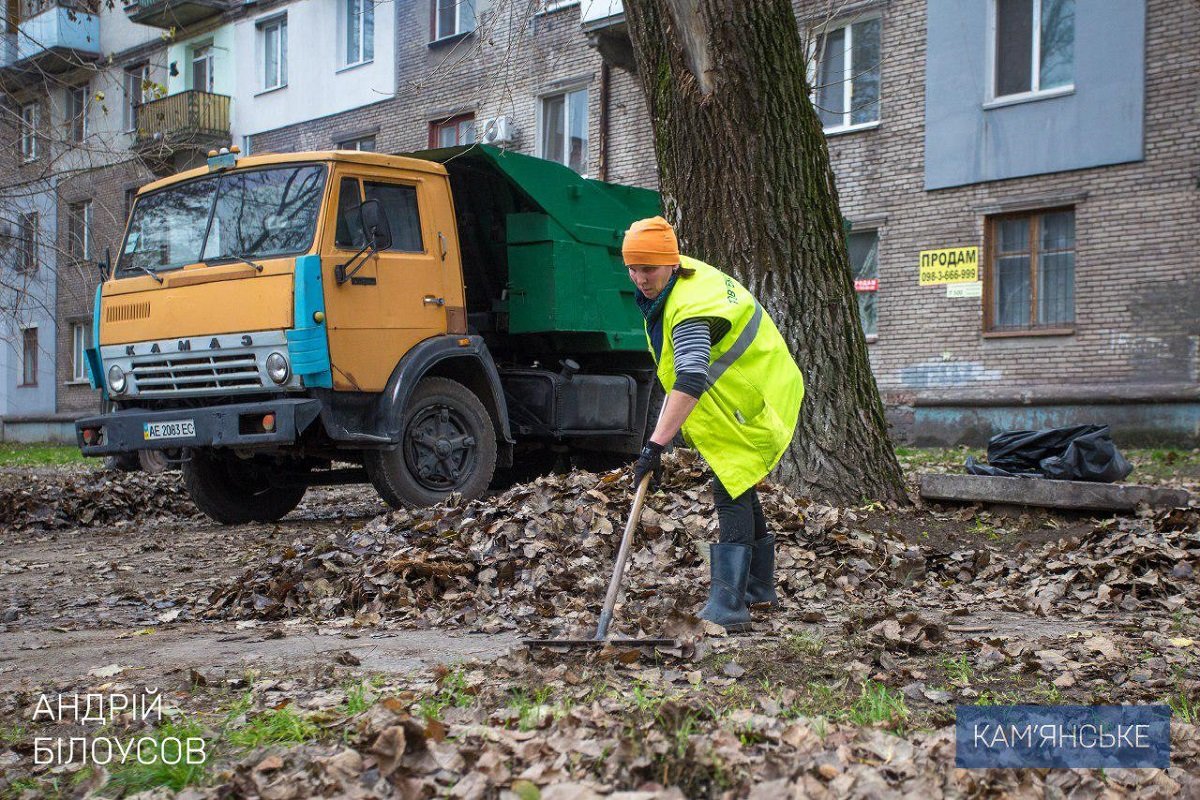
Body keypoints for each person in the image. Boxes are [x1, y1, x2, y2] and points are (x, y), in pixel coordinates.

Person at [624, 216, 804, 632]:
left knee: (729, 485)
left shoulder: (691, 308)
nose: (640, 278)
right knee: (737, 481)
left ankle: (729, 604)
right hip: (751, 390)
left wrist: (655, 446)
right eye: (632, 269)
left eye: (648, 268)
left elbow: (689, 377)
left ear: (671, 263)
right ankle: (758, 589)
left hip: (759, 398)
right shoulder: (681, 281)